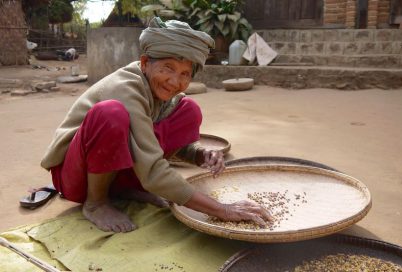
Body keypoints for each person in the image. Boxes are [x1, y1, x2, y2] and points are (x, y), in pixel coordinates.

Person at [40, 17, 272, 233]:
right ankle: (96, 203)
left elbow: (154, 141)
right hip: (75, 177)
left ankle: (131, 189)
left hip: (118, 175)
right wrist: (223, 209)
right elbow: (152, 168)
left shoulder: (160, 93)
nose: (175, 81)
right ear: (144, 63)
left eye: (185, 74)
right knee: (110, 114)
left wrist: (198, 155)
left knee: (188, 109)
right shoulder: (125, 88)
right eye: (167, 68)